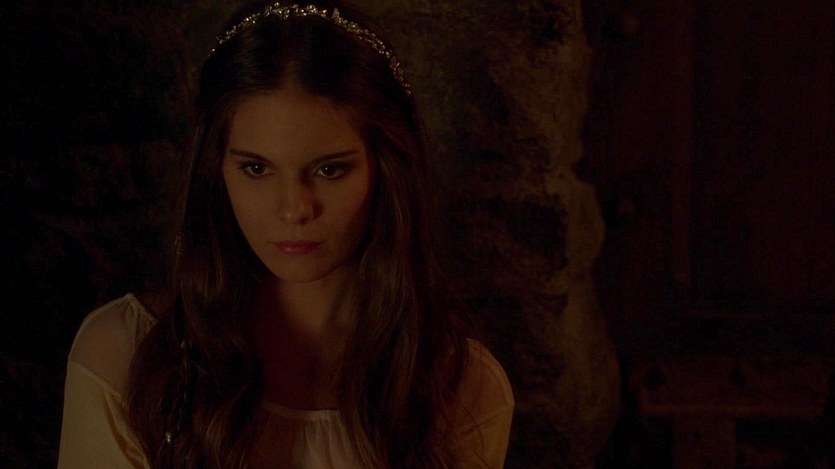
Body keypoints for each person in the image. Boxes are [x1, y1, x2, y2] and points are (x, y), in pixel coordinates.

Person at [57, 1, 514, 467]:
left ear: (386, 170)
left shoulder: (460, 388)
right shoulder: (126, 357)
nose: (294, 209)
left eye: (330, 170)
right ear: (217, 170)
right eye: (257, 169)